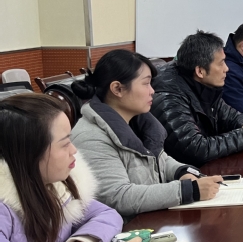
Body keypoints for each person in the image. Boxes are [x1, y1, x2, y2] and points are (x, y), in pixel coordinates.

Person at [0, 94, 145, 242]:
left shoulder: (54, 185)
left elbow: (106, 213)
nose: (74, 150)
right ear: (29, 153)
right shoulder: (5, 208)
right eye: (65, 143)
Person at [70, 50, 224, 218]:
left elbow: (161, 160)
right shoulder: (91, 137)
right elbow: (118, 196)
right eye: (146, 84)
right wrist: (189, 190)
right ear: (117, 89)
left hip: (151, 219)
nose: (152, 91)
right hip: (127, 229)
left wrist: (182, 172)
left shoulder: (137, 121)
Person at [151, 31, 243, 166]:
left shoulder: (203, 86)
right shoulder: (168, 98)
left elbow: (228, 114)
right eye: (221, 63)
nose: (227, 68)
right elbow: (195, 149)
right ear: (200, 71)